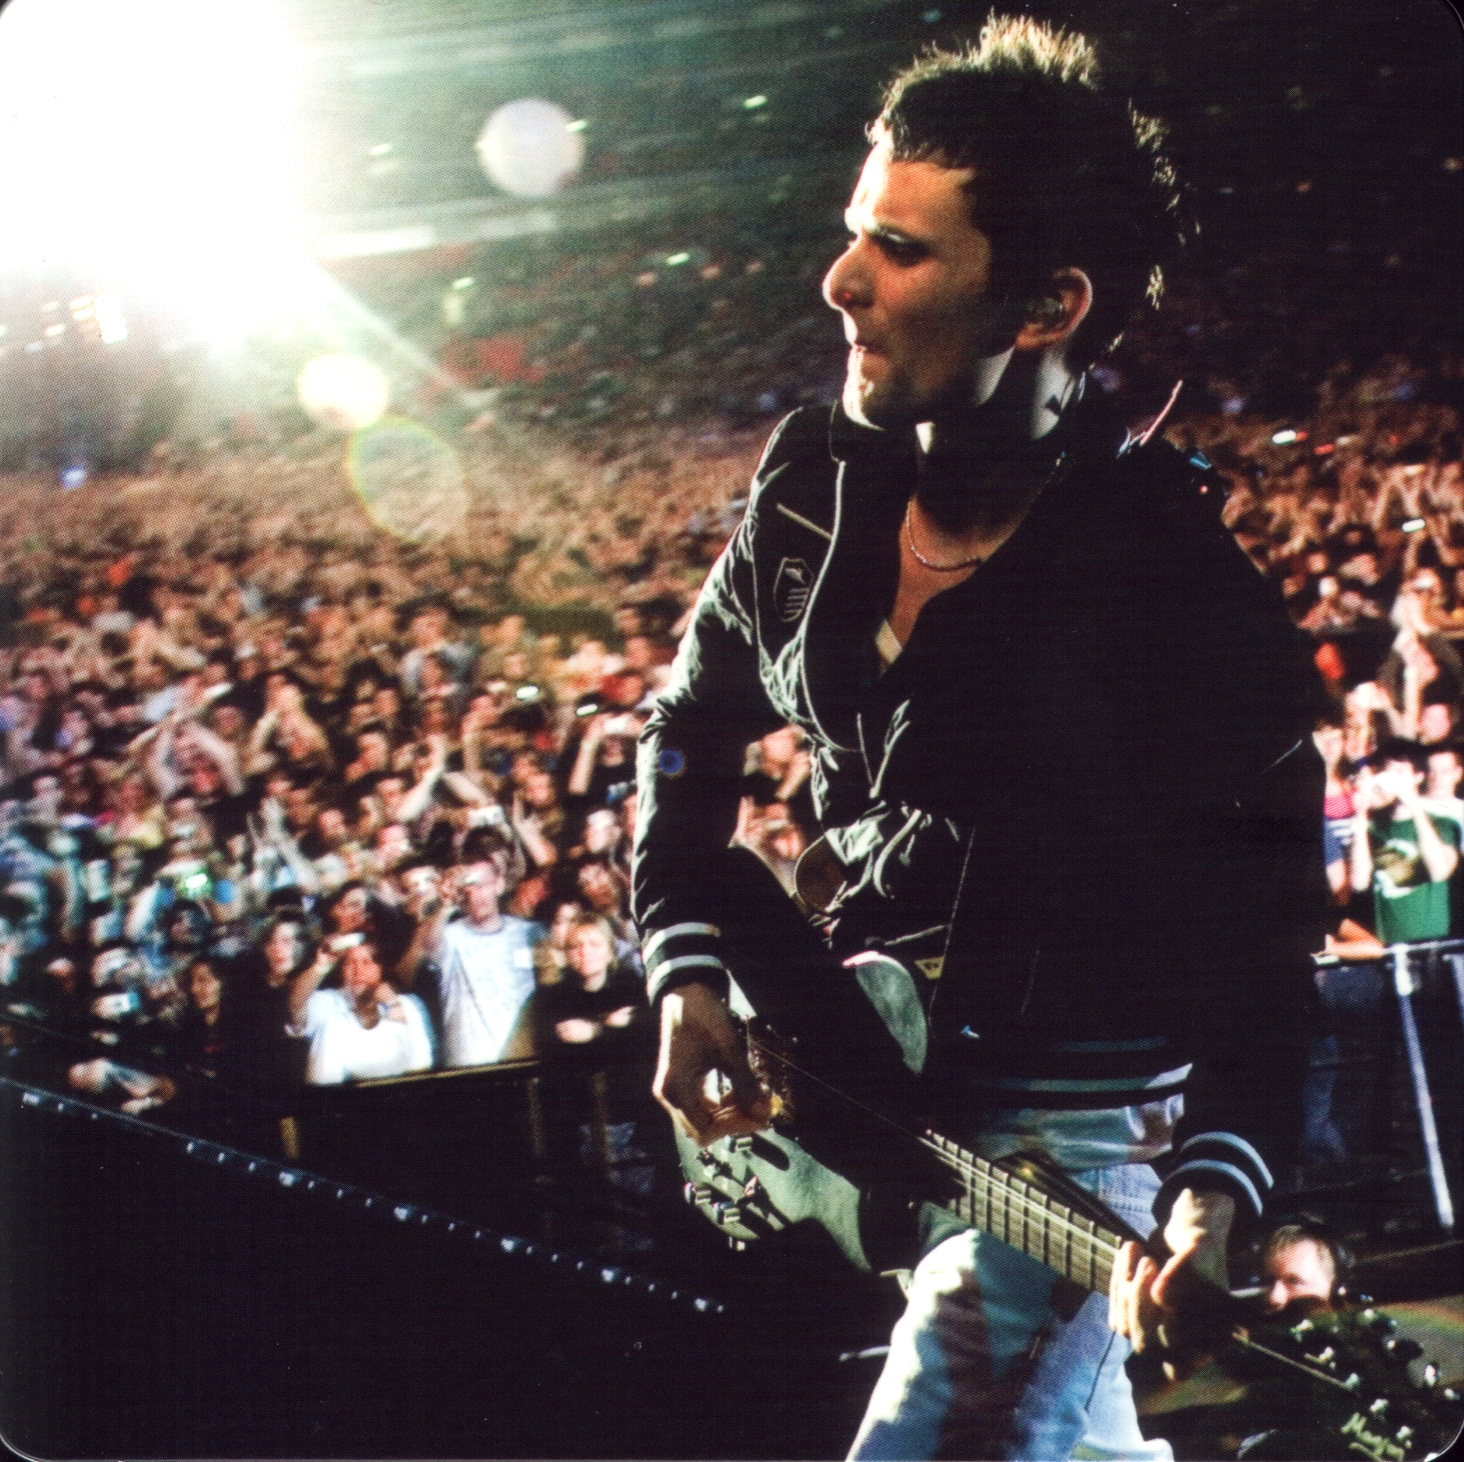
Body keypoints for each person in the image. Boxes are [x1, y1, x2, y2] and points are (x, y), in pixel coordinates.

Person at [633, 17, 1326, 1461]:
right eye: (855, 233)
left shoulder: (1176, 593)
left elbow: (1267, 951)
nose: (840, 281)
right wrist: (686, 966)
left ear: (1048, 303)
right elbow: (689, 729)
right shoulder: (808, 486)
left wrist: (1211, 1198)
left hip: (1068, 1139)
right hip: (870, 1077)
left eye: (899, 249)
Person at [1349, 738, 1460, 945]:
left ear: (1418, 777)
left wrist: (1413, 805)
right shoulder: (1373, 828)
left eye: (1400, 772)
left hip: (1433, 942)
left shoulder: (1443, 824)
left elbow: (1439, 871)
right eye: (1388, 772)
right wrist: (1361, 813)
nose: (1392, 779)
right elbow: (1359, 882)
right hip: (1389, 944)